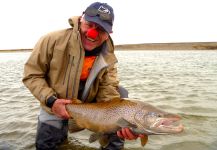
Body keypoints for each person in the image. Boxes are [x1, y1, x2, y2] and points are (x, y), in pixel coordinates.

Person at [23, 2, 144, 150]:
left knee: (120, 94)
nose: (92, 33)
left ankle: (112, 141)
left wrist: (121, 124)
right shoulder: (51, 40)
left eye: (101, 29)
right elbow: (32, 75)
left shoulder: (108, 55)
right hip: (55, 100)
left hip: (92, 106)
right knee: (46, 145)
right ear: (81, 19)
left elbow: (108, 91)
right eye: (90, 25)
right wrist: (51, 101)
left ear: (108, 34)